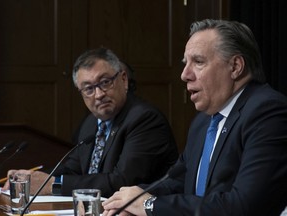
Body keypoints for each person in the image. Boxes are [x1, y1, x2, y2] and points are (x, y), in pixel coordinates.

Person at [102, 19, 287, 216]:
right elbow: (177, 181)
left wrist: (150, 206)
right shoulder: (204, 121)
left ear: (235, 66)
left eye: (198, 62)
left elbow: (243, 206)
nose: (184, 75)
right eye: (185, 63)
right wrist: (132, 200)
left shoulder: (268, 113)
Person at [3, 47, 179, 198]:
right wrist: (31, 179)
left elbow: (123, 181)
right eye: (89, 88)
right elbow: (72, 168)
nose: (99, 94)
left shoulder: (145, 119)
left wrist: (53, 185)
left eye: (105, 82)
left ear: (123, 79)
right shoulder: (91, 122)